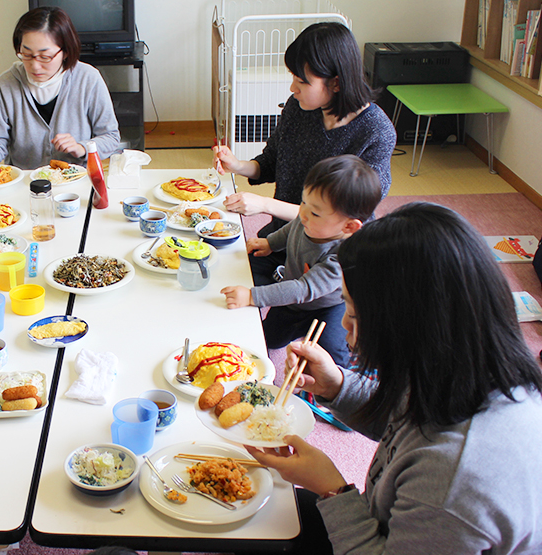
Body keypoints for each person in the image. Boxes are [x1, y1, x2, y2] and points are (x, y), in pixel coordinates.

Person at [248, 202, 542, 554]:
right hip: (385, 522)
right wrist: (337, 386)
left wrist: (332, 489)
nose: (343, 326)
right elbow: (405, 421)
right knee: (257, 509)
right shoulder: (466, 371)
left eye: (353, 316)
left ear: (408, 328)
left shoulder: (456, 481)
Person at [214, 22, 395, 271]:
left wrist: (265, 205)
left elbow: (342, 215)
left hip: (331, 254)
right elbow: (271, 162)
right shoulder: (299, 107)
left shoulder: (376, 132)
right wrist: (238, 165)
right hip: (284, 238)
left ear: (337, 83)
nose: (292, 88)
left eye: (302, 81)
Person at [221, 155, 381, 367]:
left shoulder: (343, 256)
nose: (303, 213)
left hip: (327, 307)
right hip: (294, 303)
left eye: (314, 212)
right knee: (269, 338)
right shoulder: (307, 219)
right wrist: (270, 243)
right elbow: (291, 229)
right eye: (303, 201)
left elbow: (303, 289)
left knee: (331, 351)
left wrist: (253, 296)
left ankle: (349, 372)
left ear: (348, 227)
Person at [0, 6, 120, 170]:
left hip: (74, 180)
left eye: (45, 57)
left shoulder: (88, 79)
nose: (35, 66)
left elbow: (110, 137)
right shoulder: (6, 83)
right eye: (26, 55)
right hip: (25, 182)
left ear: (65, 52)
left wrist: (82, 147)